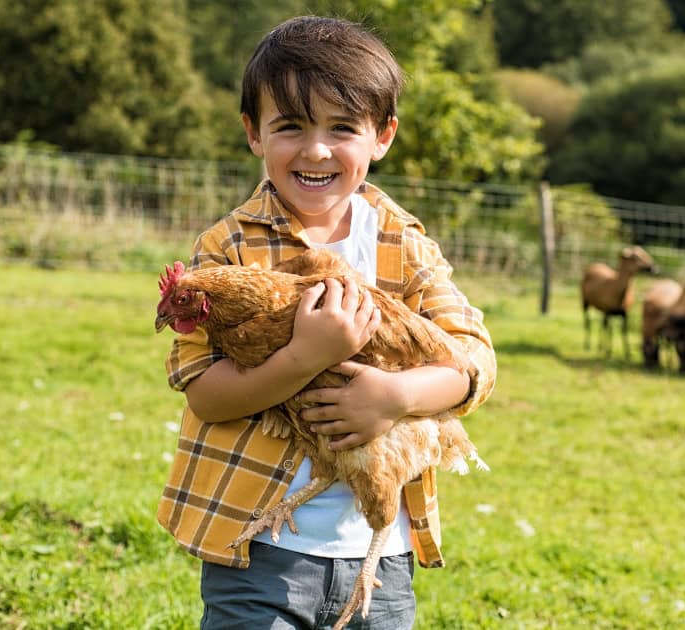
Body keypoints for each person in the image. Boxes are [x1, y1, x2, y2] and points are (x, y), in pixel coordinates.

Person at [156, 15, 496, 629]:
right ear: (253, 133)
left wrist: (396, 396)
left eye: (342, 128)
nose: (315, 149)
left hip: (381, 554)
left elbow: (473, 359)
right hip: (257, 546)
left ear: (383, 136)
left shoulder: (405, 246)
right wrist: (305, 356)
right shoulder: (228, 247)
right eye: (290, 126)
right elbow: (206, 395)